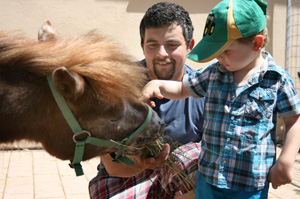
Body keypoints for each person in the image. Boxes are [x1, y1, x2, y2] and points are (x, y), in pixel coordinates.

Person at [141, 0, 300, 199]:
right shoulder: (214, 73)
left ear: (256, 43)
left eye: (225, 51)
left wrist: (285, 161)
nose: (219, 58)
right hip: (208, 179)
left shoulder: (277, 80)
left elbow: (294, 120)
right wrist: (157, 86)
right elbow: (183, 88)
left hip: (250, 185)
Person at [89, 2, 205, 198]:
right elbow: (112, 167)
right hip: (127, 178)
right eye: (152, 45)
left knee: (196, 155)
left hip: (179, 182)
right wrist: (140, 162)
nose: (162, 54)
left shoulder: (204, 90)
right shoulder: (120, 85)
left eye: (172, 45)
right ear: (142, 46)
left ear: (190, 46)